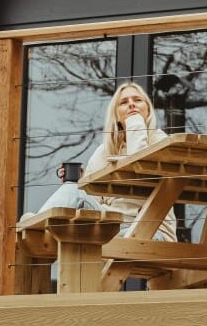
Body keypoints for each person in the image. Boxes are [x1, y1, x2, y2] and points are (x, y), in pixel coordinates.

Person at [35, 81, 177, 242]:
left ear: (148, 110)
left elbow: (141, 171)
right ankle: (37, 230)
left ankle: (37, 231)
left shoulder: (159, 140)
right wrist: (82, 181)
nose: (131, 105)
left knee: (72, 234)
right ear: (116, 115)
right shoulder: (105, 151)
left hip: (150, 231)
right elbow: (92, 200)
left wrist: (135, 123)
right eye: (124, 102)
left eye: (137, 100)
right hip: (113, 224)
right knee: (72, 190)